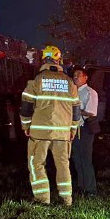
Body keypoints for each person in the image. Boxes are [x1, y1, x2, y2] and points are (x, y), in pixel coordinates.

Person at [20, 45, 81, 206]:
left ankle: (42, 200)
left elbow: (26, 107)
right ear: (58, 60)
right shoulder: (70, 83)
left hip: (39, 133)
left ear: (43, 60)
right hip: (62, 134)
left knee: (37, 164)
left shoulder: (35, 81)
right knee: (63, 165)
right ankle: (66, 200)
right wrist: (73, 129)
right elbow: (76, 110)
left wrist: (26, 126)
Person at [71, 66, 100, 196]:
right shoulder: (72, 91)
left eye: (78, 74)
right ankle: (81, 186)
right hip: (74, 129)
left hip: (85, 129)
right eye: (74, 75)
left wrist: (76, 110)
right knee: (77, 158)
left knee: (85, 159)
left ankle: (90, 189)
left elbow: (91, 113)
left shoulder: (90, 92)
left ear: (85, 77)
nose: (75, 77)